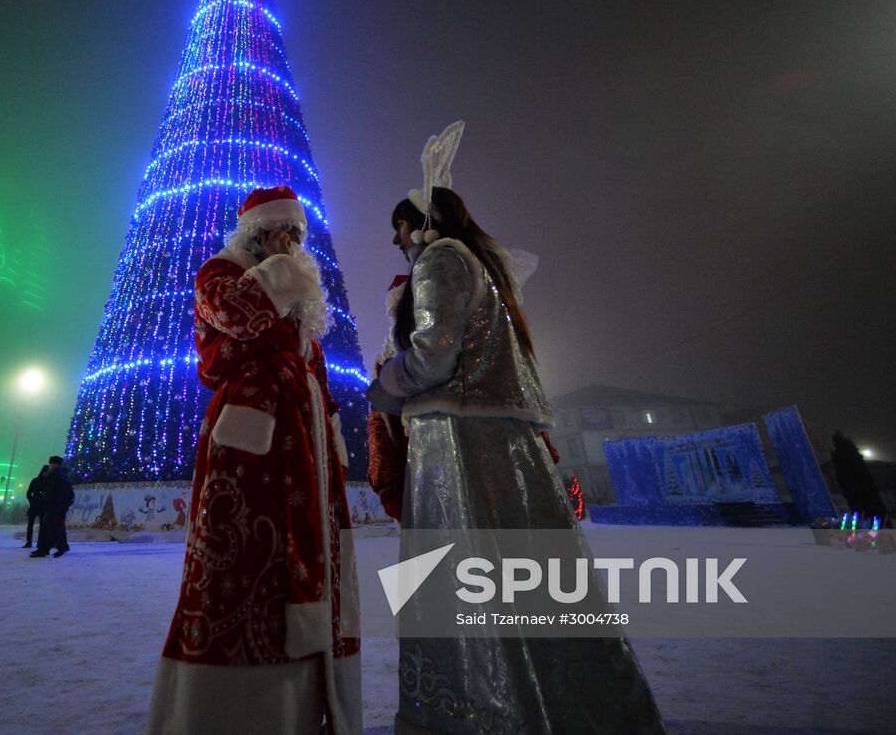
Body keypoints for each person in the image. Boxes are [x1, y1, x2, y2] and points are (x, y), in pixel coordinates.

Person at [366, 123, 667, 734]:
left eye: (399, 229)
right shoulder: (482, 268)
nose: (396, 242)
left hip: (459, 447)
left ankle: (485, 713)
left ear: (418, 223)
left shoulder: (440, 260)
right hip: (501, 443)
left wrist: (385, 385)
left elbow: (435, 352)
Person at [146, 186, 361, 735]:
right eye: (283, 234)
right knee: (246, 569)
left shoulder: (298, 304)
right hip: (250, 456)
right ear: (257, 235)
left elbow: (316, 372)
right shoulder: (217, 276)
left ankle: (306, 707)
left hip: (307, 449)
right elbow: (240, 317)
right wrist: (286, 267)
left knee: (315, 567)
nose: (294, 245)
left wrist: (332, 436)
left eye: (299, 236)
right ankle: (229, 712)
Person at [29, 456, 73, 558]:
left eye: (53, 463)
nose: (51, 465)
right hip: (52, 506)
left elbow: (57, 492)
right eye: (51, 463)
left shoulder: (58, 476)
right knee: (48, 528)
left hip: (54, 506)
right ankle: (44, 549)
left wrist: (52, 501)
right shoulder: (56, 475)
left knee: (53, 528)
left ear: (57, 464)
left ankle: (59, 547)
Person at [23, 463, 49, 548]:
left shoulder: (49, 482)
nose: (46, 474)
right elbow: (28, 493)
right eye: (45, 472)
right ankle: (29, 541)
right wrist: (32, 501)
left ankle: (39, 542)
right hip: (35, 505)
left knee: (42, 525)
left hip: (43, 505)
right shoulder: (36, 481)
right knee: (31, 524)